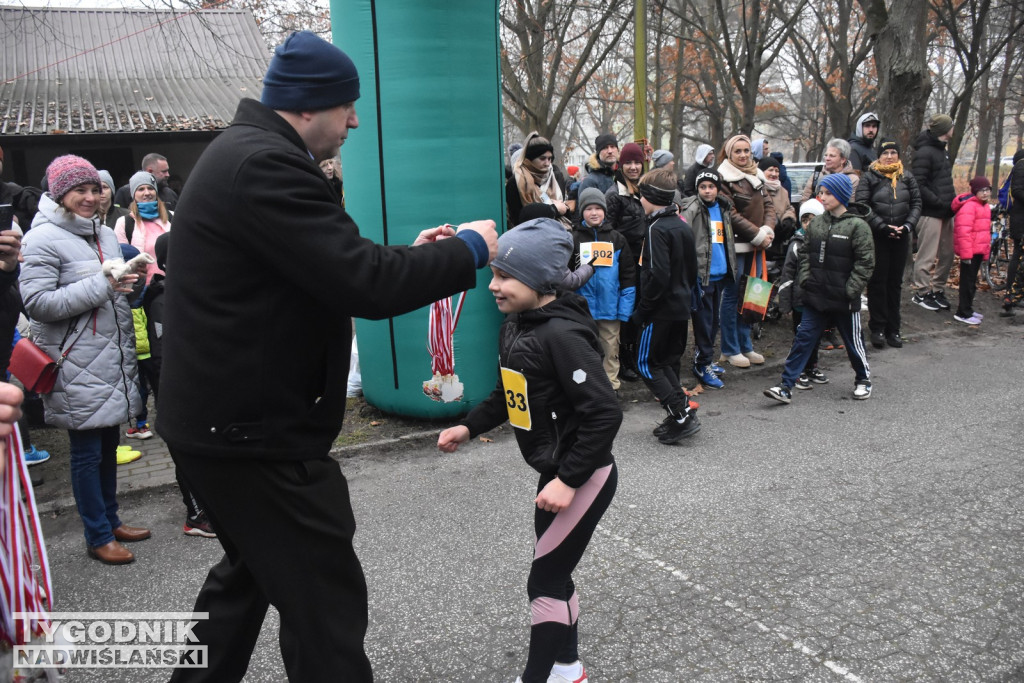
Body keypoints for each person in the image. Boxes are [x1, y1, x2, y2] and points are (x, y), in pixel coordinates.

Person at [155, 31, 497, 682]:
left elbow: (321, 264)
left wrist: (410, 252)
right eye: (348, 106)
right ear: (309, 106)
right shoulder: (264, 164)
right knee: (325, 600)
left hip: (222, 426)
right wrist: (468, 251)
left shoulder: (246, 154)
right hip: (253, 436)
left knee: (248, 577)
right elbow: (363, 281)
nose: (358, 120)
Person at [438, 218, 619, 683]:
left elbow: (605, 414)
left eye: (504, 277)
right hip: (557, 469)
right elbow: (509, 393)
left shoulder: (562, 337)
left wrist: (568, 480)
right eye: (492, 275)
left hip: (584, 473)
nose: (493, 286)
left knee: (543, 582)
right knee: (555, 574)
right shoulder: (516, 327)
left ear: (540, 281)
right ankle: (568, 667)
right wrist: (468, 426)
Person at [19, 154, 149, 564]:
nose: (91, 197)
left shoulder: (105, 234)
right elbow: (37, 303)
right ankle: (96, 535)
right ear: (59, 195)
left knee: (108, 445)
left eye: (95, 189)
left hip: (110, 356)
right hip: (74, 362)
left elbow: (107, 289)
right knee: (87, 452)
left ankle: (110, 521)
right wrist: (103, 284)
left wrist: (129, 282)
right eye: (80, 190)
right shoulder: (40, 238)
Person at [764, 174, 874, 404]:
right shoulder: (817, 223)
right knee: (803, 339)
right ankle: (785, 385)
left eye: (828, 193)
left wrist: (850, 290)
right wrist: (806, 279)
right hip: (816, 296)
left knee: (853, 341)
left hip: (844, 299)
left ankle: (863, 379)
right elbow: (805, 254)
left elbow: (865, 263)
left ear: (842, 195)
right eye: (821, 192)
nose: (822, 197)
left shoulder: (858, 226)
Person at [630, 167, 701, 443]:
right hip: (680, 309)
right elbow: (692, 270)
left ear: (650, 197)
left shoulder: (655, 229)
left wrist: (643, 311)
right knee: (668, 362)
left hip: (659, 310)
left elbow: (658, 275)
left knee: (646, 363)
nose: (639, 201)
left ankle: (681, 414)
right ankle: (680, 415)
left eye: (641, 196)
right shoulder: (681, 225)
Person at [855, 139, 921, 348]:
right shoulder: (869, 177)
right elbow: (863, 205)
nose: (890, 156)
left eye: (894, 152)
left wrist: (908, 226)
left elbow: (916, 203)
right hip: (878, 237)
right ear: (879, 155)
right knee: (877, 283)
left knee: (894, 284)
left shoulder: (907, 177)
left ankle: (894, 329)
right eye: (886, 153)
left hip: (901, 237)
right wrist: (882, 227)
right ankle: (878, 328)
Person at [716, 134, 775, 368]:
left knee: (753, 295)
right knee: (732, 297)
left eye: (746, 151)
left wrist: (768, 230)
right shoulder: (723, 179)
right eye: (737, 151)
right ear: (729, 154)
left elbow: (769, 205)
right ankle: (729, 349)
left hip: (758, 246)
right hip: (737, 247)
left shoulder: (757, 175)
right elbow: (729, 213)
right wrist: (757, 234)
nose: (742, 155)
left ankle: (745, 344)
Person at [569, 188, 636, 391]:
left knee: (610, 348)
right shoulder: (573, 239)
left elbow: (628, 275)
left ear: (605, 211)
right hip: (582, 308)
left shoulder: (617, 239)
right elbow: (566, 275)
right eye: (589, 208)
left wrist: (625, 308)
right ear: (582, 212)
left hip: (610, 307)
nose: (594, 213)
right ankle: (587, 387)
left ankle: (611, 386)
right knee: (583, 349)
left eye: (598, 208)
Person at [680, 168, 735, 390]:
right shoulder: (693, 207)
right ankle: (702, 364)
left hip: (720, 273)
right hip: (702, 276)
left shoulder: (722, 208)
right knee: (703, 322)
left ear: (717, 189)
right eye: (703, 187)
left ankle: (704, 358)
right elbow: (683, 226)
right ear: (697, 189)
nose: (707, 190)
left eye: (711, 186)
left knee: (714, 322)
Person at [776, 199, 830, 390]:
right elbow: (787, 275)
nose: (808, 223)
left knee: (816, 336)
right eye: (805, 219)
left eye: (813, 219)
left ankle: (811, 367)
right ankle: (796, 370)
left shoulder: (826, 242)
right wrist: (785, 303)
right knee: (801, 337)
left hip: (818, 300)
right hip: (800, 300)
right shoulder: (796, 244)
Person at [909, 114, 957, 312]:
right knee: (927, 255)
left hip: (947, 211)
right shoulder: (924, 152)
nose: (953, 128)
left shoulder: (942, 150)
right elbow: (919, 184)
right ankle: (921, 293)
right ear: (945, 129)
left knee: (948, 253)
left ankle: (937, 290)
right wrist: (938, 202)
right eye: (951, 125)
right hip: (930, 213)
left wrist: (952, 203)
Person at [507, 132, 573, 228]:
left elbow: (563, 211)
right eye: (542, 159)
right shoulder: (516, 182)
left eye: (549, 158)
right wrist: (553, 209)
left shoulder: (556, 177)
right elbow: (518, 218)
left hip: (556, 233)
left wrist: (564, 209)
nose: (547, 163)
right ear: (530, 159)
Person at [950, 177, 992, 325]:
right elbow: (963, 232)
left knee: (972, 282)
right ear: (975, 192)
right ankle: (963, 312)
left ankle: (968, 308)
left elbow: (985, 232)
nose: (985, 193)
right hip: (970, 252)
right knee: (967, 282)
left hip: (979, 250)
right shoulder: (969, 207)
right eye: (982, 190)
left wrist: (986, 252)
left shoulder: (984, 206)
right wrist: (966, 254)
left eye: (987, 190)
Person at [758, 154, 797, 260]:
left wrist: (788, 219)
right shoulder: (756, 188)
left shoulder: (782, 191)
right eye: (770, 170)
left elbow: (789, 208)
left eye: (777, 170)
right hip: (761, 239)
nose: (774, 174)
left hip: (778, 242)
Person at [1000, 149, 1024, 316]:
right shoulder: (1022, 165)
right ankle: (1011, 294)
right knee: (1018, 255)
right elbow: (1016, 190)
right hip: (1020, 219)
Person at [113, 152, 178, 210]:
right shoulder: (124, 193)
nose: (168, 175)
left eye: (150, 189)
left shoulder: (170, 194)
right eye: (164, 171)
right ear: (149, 171)